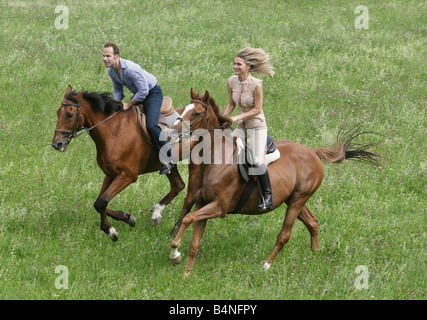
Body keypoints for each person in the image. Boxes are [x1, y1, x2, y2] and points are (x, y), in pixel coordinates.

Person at [102, 42, 174, 174]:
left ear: (116, 56)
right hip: (139, 95)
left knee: (151, 125)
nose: (105, 59)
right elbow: (118, 90)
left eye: (108, 56)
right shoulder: (111, 71)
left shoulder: (130, 69)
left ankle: (169, 158)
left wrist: (128, 104)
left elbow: (144, 90)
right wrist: (115, 105)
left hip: (152, 94)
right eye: (104, 56)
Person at [223, 47, 275, 209]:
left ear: (248, 67)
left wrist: (236, 117)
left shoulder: (256, 85)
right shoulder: (231, 81)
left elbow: (257, 109)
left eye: (239, 64)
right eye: (235, 64)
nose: (235, 67)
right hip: (241, 127)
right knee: (225, 149)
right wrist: (223, 119)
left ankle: (267, 197)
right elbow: (231, 104)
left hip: (257, 127)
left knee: (257, 160)